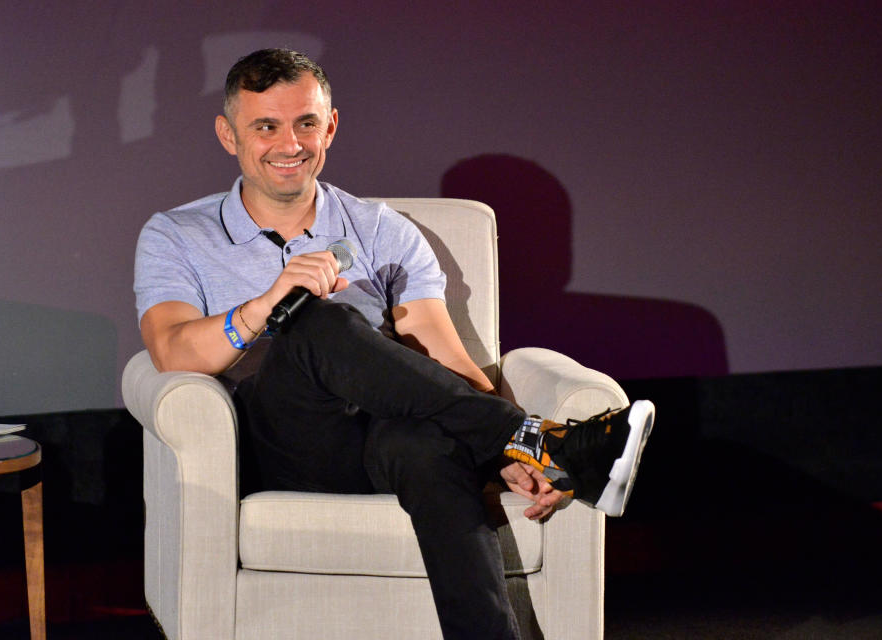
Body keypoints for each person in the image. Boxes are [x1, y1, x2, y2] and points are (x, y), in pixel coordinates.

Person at [134, 48, 655, 640]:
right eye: (266, 126)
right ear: (229, 135)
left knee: (423, 445)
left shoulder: (382, 230)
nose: (290, 143)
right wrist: (267, 305)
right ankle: (545, 440)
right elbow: (171, 351)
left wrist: (499, 454)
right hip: (282, 442)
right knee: (313, 321)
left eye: (306, 122)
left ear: (330, 126)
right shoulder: (178, 234)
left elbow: (443, 358)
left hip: (385, 434)